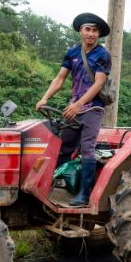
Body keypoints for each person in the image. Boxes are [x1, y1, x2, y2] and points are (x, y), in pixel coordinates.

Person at [35, 12, 112, 207]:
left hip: (93, 108)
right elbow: (60, 79)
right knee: (62, 146)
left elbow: (98, 83)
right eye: (88, 29)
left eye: (95, 31)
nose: (91, 34)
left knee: (87, 149)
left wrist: (79, 105)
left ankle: (84, 194)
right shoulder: (72, 53)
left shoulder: (102, 55)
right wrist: (45, 98)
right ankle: (53, 187)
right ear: (80, 31)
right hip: (74, 107)